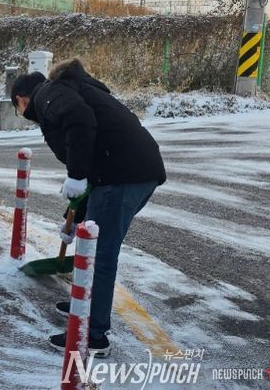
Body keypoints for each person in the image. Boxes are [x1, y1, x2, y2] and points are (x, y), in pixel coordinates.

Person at [10, 58, 166, 357]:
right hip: (125, 171)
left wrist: (76, 175)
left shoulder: (47, 95)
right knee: (91, 246)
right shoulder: (66, 89)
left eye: (19, 108)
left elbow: (80, 122)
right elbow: (91, 153)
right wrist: (75, 215)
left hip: (123, 175)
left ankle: (93, 335)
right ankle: (85, 307)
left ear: (21, 100)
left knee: (102, 254)